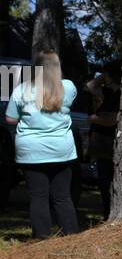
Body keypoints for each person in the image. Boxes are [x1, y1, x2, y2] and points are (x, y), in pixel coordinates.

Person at [5, 51, 80, 239]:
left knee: (38, 197)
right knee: (62, 197)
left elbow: (10, 119)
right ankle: (71, 238)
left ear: (35, 68)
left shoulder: (21, 90)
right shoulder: (68, 87)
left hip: (31, 151)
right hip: (61, 150)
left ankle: (41, 239)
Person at [88, 59, 122, 220]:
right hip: (103, 148)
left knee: (110, 183)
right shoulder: (107, 93)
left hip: (111, 146)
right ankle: (106, 214)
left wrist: (94, 118)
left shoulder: (121, 95)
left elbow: (113, 119)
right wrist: (103, 77)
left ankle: (110, 214)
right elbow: (90, 86)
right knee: (103, 184)